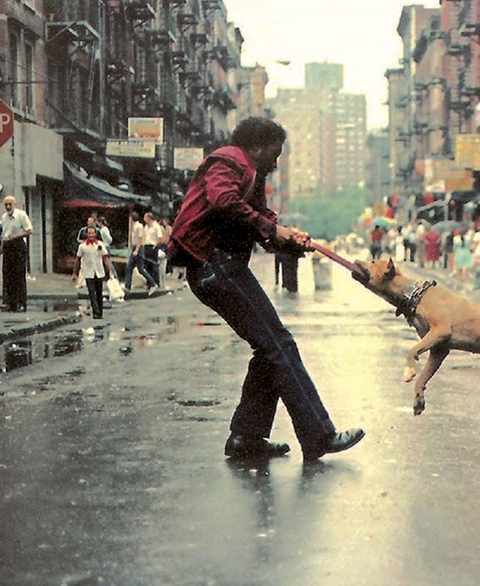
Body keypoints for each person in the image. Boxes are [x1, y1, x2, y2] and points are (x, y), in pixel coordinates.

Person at [168, 117, 363, 462]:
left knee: (269, 349)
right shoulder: (228, 160)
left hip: (220, 266)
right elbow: (223, 202)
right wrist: (274, 231)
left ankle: (246, 438)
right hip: (214, 264)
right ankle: (319, 435)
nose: (276, 162)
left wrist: (287, 238)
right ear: (257, 146)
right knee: (279, 345)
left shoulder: (251, 175)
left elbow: (256, 219)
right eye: (276, 153)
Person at [0, 195, 33, 312]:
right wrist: (2, 247)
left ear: (14, 205)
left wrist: (16, 236)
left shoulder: (21, 215)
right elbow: (4, 235)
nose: (8, 207)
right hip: (8, 246)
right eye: (6, 205)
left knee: (19, 275)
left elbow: (29, 230)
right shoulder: (4, 218)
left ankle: (21, 303)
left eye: (10, 204)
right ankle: (11, 303)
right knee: (8, 275)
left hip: (18, 245)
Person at [72, 226, 112, 320]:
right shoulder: (82, 246)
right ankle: (96, 313)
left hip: (99, 272)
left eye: (92, 233)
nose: (91, 235)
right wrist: (75, 273)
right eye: (89, 233)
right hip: (88, 272)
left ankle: (100, 312)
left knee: (99, 293)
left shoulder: (100, 244)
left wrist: (110, 271)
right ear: (86, 234)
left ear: (95, 234)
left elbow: (105, 258)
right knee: (91, 293)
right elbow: (77, 259)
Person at [123, 211, 158, 293]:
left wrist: (136, 250)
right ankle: (127, 286)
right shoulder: (134, 226)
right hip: (136, 247)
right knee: (131, 267)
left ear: (131, 219)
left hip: (138, 248)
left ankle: (153, 283)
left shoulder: (139, 226)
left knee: (139, 268)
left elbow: (140, 238)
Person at [143, 212, 164, 290]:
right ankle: (149, 283)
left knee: (154, 265)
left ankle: (156, 282)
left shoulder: (156, 226)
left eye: (145, 217)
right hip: (146, 246)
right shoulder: (145, 227)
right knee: (147, 266)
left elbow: (160, 238)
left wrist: (155, 246)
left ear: (149, 218)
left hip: (153, 247)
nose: (144, 219)